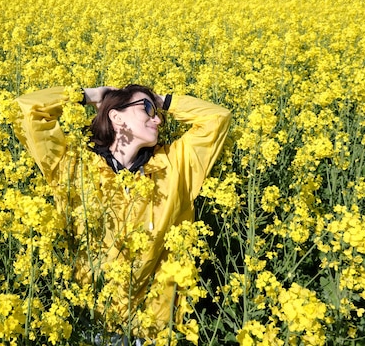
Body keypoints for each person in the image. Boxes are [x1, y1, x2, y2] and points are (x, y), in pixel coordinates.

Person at [14, 84, 231, 340]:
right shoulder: (72, 165)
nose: (158, 119)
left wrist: (162, 101)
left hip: (152, 326)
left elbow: (218, 117)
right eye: (147, 109)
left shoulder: (175, 165)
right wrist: (89, 96)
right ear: (115, 117)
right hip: (91, 320)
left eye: (157, 111)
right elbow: (25, 109)